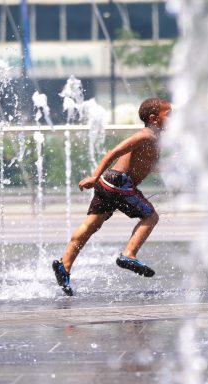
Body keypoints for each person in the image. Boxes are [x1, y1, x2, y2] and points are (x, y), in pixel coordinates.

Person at [51, 98, 170, 296]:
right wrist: (94, 176)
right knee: (151, 216)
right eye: (169, 114)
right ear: (154, 118)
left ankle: (65, 265)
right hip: (119, 183)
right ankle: (128, 254)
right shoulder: (145, 135)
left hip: (109, 183)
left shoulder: (154, 140)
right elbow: (115, 151)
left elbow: (150, 166)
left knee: (91, 226)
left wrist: (171, 164)